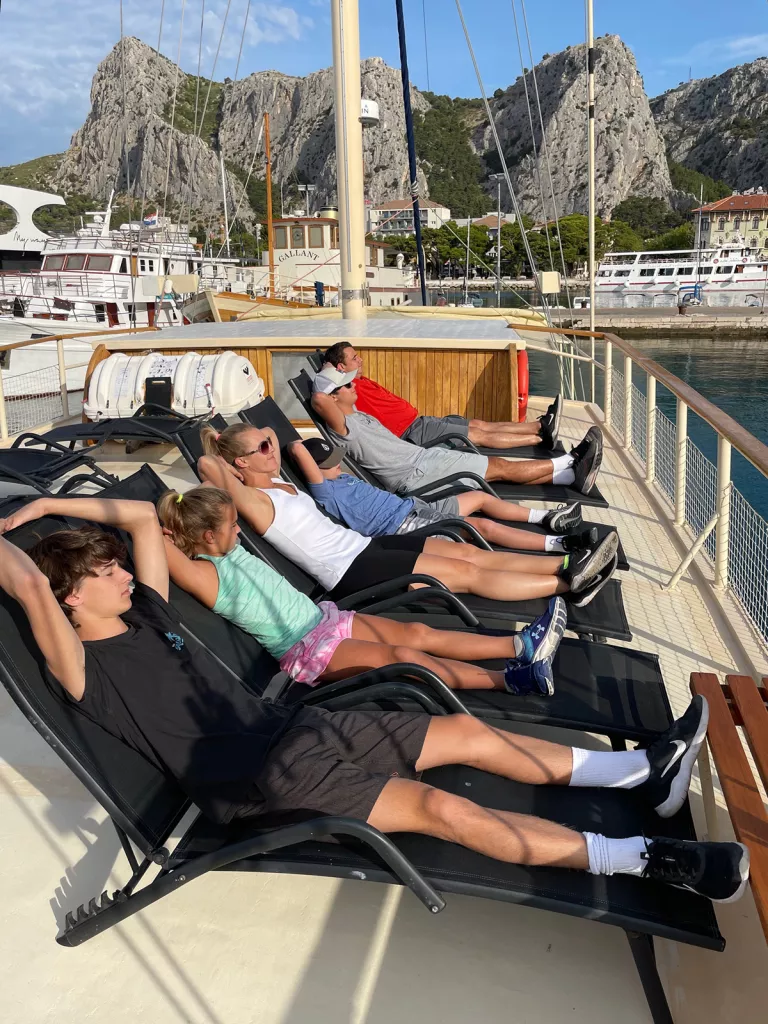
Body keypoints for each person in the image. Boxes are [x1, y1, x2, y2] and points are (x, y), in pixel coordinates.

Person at [0, 498, 749, 903]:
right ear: (68, 600)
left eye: (112, 566)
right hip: (266, 782)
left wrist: (43, 506)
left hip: (297, 725)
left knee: (466, 733)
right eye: (102, 573)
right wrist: (19, 536)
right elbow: (28, 583)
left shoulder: (148, 613)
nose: (121, 571)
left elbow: (138, 517)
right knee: (447, 811)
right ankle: (646, 859)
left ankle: (639, 775)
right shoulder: (83, 669)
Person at [156, 484, 567, 695]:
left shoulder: (226, 548)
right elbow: (146, 524)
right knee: (405, 656)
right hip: (308, 648)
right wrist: (160, 523)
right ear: (208, 537)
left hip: (326, 619)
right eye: (231, 527)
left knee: (419, 635)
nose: (240, 529)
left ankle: (519, 646)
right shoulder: (206, 575)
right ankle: (510, 681)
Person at [198, 424, 619, 610]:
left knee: (471, 553)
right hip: (348, 569)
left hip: (365, 546)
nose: (271, 449)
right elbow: (207, 466)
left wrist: (261, 441)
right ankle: (567, 585)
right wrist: (219, 447)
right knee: (465, 573)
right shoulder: (253, 500)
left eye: (269, 444)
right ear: (239, 463)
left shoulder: (281, 485)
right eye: (262, 449)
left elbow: (274, 445)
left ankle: (566, 563)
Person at [311, 369, 603, 498]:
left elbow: (332, 399)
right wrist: (321, 385)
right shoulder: (344, 428)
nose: (354, 386)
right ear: (333, 398)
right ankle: (570, 460)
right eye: (347, 385)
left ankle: (569, 476)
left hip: (423, 459)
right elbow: (319, 400)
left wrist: (337, 383)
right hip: (416, 473)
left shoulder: (356, 414)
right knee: (498, 467)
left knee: (494, 463)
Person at [289, 435, 602, 554]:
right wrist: (290, 448)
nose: (338, 465)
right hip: (402, 528)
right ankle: (560, 545)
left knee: (478, 496)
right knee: (480, 527)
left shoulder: (339, 478)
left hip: (416, 508)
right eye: (329, 463)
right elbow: (297, 450)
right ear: (315, 469)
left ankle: (548, 518)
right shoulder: (326, 491)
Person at [320, 342, 561, 452]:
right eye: (354, 358)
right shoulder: (342, 389)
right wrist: (331, 368)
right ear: (340, 367)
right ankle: (539, 441)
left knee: (478, 424)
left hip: (420, 422)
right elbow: (322, 389)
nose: (360, 359)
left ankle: (539, 426)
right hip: (411, 434)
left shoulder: (359, 380)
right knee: (477, 435)